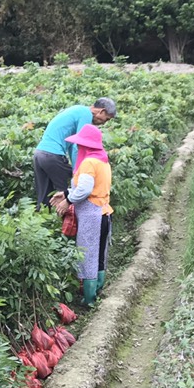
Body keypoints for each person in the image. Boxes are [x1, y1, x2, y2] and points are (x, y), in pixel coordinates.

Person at [51, 123, 113, 307]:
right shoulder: (102, 160)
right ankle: (98, 289)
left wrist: (68, 201)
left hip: (91, 214)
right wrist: (67, 192)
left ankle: (89, 299)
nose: (78, 147)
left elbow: (85, 190)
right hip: (104, 212)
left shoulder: (88, 163)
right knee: (100, 253)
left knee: (87, 255)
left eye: (80, 144)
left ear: (86, 146)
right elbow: (91, 186)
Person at [33, 98, 116, 208]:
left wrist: (76, 168)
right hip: (52, 155)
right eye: (106, 119)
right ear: (101, 111)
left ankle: (44, 221)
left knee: (44, 196)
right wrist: (79, 171)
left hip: (39, 154)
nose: (104, 123)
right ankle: (65, 223)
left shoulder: (78, 110)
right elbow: (80, 146)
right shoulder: (86, 114)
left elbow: (73, 144)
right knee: (65, 194)